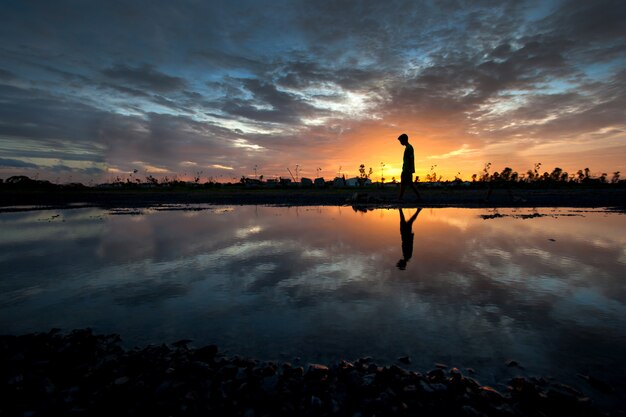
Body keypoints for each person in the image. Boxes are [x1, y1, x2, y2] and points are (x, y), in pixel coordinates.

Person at [397, 133, 421, 201]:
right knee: (408, 184)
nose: (400, 143)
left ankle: (400, 198)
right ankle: (401, 198)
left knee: (406, 184)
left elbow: (411, 159)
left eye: (401, 141)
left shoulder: (409, 148)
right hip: (406, 169)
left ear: (404, 140)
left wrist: (411, 169)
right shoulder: (408, 148)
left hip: (407, 170)